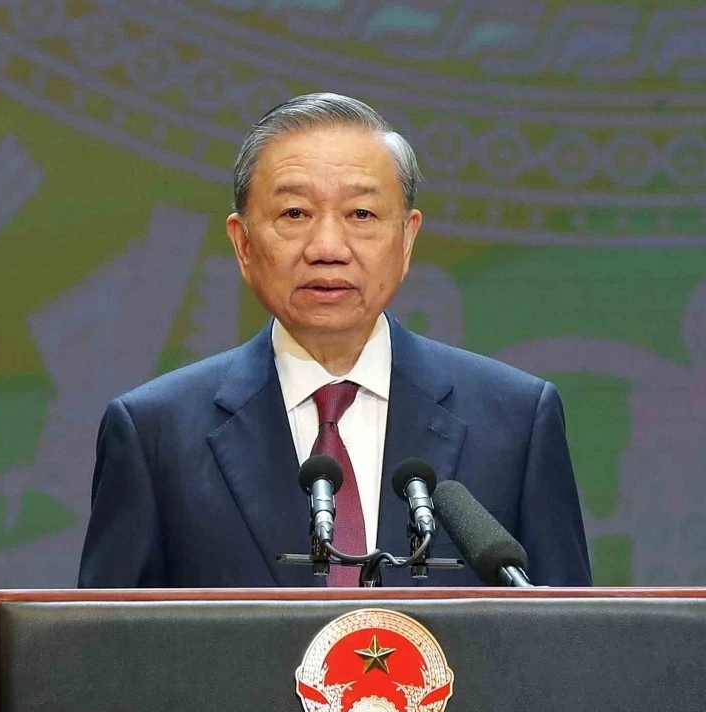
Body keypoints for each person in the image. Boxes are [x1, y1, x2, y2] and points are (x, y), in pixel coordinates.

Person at [78, 93, 590, 588]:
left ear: (407, 238)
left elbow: (571, 632)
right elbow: (105, 639)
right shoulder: (155, 433)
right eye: (294, 214)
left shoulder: (516, 419)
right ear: (243, 243)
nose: (327, 247)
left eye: (361, 215)